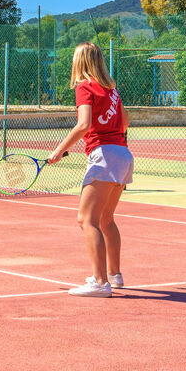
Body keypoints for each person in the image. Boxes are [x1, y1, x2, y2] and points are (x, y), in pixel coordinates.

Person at [48, 42, 134, 298]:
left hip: (105, 155)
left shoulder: (85, 87)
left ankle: (99, 282)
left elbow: (83, 124)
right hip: (123, 155)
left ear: (80, 62)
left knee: (86, 220)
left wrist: (59, 150)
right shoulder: (111, 88)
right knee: (106, 219)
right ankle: (114, 276)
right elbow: (126, 122)